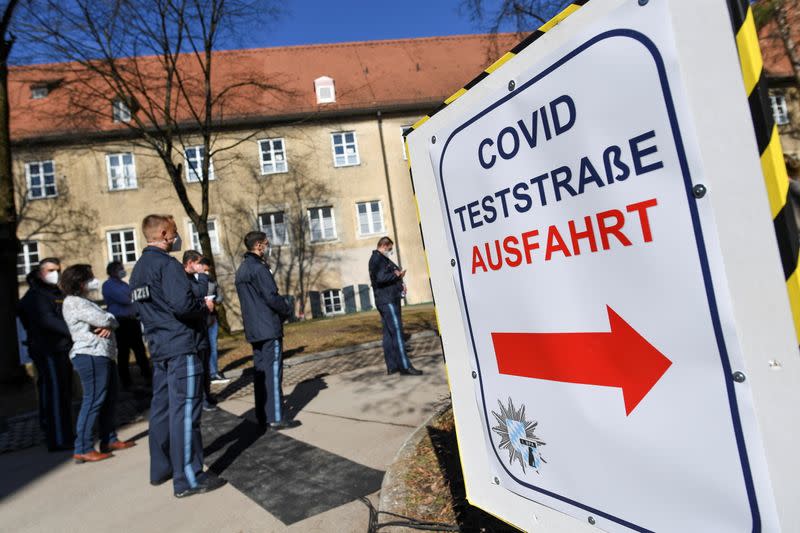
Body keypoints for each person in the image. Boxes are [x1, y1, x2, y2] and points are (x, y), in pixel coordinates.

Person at [129, 214, 226, 498]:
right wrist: (203, 308)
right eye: (173, 231)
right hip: (181, 344)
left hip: (159, 346)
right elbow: (183, 304)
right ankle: (189, 478)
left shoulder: (139, 270)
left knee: (161, 410)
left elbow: (138, 309)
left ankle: (162, 469)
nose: (176, 236)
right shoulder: (166, 264)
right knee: (185, 412)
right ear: (162, 232)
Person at [61, 264, 136, 463]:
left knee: (109, 398)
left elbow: (110, 319)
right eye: (90, 278)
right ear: (79, 282)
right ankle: (83, 447)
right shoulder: (74, 302)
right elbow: (104, 318)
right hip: (90, 354)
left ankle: (109, 438)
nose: (93, 281)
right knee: (93, 400)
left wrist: (108, 322)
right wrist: (108, 321)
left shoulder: (84, 301)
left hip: (103, 354)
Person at [235, 231, 298, 430]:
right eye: (266, 244)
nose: (268, 247)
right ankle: (276, 416)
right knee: (272, 373)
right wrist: (287, 310)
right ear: (259, 246)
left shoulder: (242, 269)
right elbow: (271, 296)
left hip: (255, 329)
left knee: (261, 372)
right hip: (268, 327)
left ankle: (262, 414)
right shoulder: (258, 268)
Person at [17, 258, 75, 451]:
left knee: (64, 392)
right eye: (51, 270)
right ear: (41, 272)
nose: (55, 273)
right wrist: (75, 331)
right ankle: (59, 438)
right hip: (48, 349)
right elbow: (48, 320)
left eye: (57, 270)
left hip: (60, 347)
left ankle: (65, 432)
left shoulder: (53, 292)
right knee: (56, 393)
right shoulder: (36, 295)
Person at [368, 237, 422, 376]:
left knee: (388, 333)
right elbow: (381, 278)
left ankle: (392, 366)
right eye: (390, 249)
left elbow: (388, 276)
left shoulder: (382, 259)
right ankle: (405, 366)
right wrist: (396, 275)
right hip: (387, 300)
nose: (390, 251)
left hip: (389, 298)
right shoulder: (377, 259)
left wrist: (400, 284)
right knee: (397, 332)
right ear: (384, 246)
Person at [102, 260, 151, 390]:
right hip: (120, 322)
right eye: (120, 268)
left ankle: (148, 377)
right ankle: (126, 382)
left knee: (140, 350)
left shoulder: (124, 284)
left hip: (132, 320)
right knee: (123, 353)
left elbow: (134, 297)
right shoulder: (108, 285)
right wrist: (132, 296)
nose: (123, 270)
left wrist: (132, 297)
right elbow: (126, 299)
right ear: (112, 271)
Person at [181, 250, 217, 412]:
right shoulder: (183, 279)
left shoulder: (189, 278)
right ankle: (202, 399)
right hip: (192, 333)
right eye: (199, 264)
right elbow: (199, 294)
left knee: (205, 365)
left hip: (200, 328)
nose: (202, 268)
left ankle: (207, 396)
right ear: (190, 263)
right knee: (199, 368)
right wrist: (205, 307)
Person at [200, 257, 229, 385]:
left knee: (213, 346)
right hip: (200, 318)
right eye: (205, 268)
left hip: (212, 318)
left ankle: (213, 372)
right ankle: (204, 373)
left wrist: (216, 300)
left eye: (208, 269)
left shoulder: (212, 280)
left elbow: (220, 295)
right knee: (202, 348)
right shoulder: (191, 281)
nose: (206, 272)